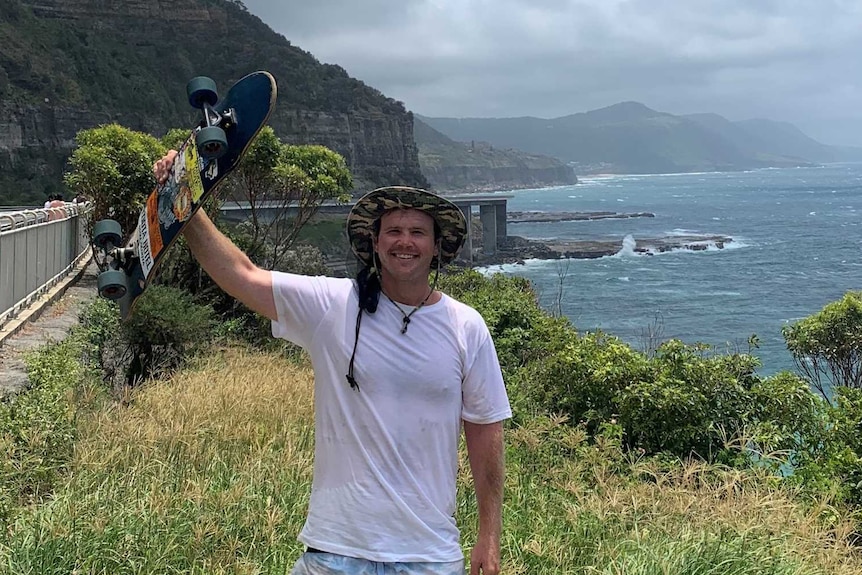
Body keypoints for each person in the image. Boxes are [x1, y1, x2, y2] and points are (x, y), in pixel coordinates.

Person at [153, 151, 512, 575]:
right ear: (375, 243)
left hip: (428, 555)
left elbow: (485, 431)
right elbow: (242, 275)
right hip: (335, 551)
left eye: (418, 232)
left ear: (436, 247)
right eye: (393, 231)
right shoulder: (334, 305)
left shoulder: (466, 327)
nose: (405, 242)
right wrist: (185, 206)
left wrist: (489, 534)